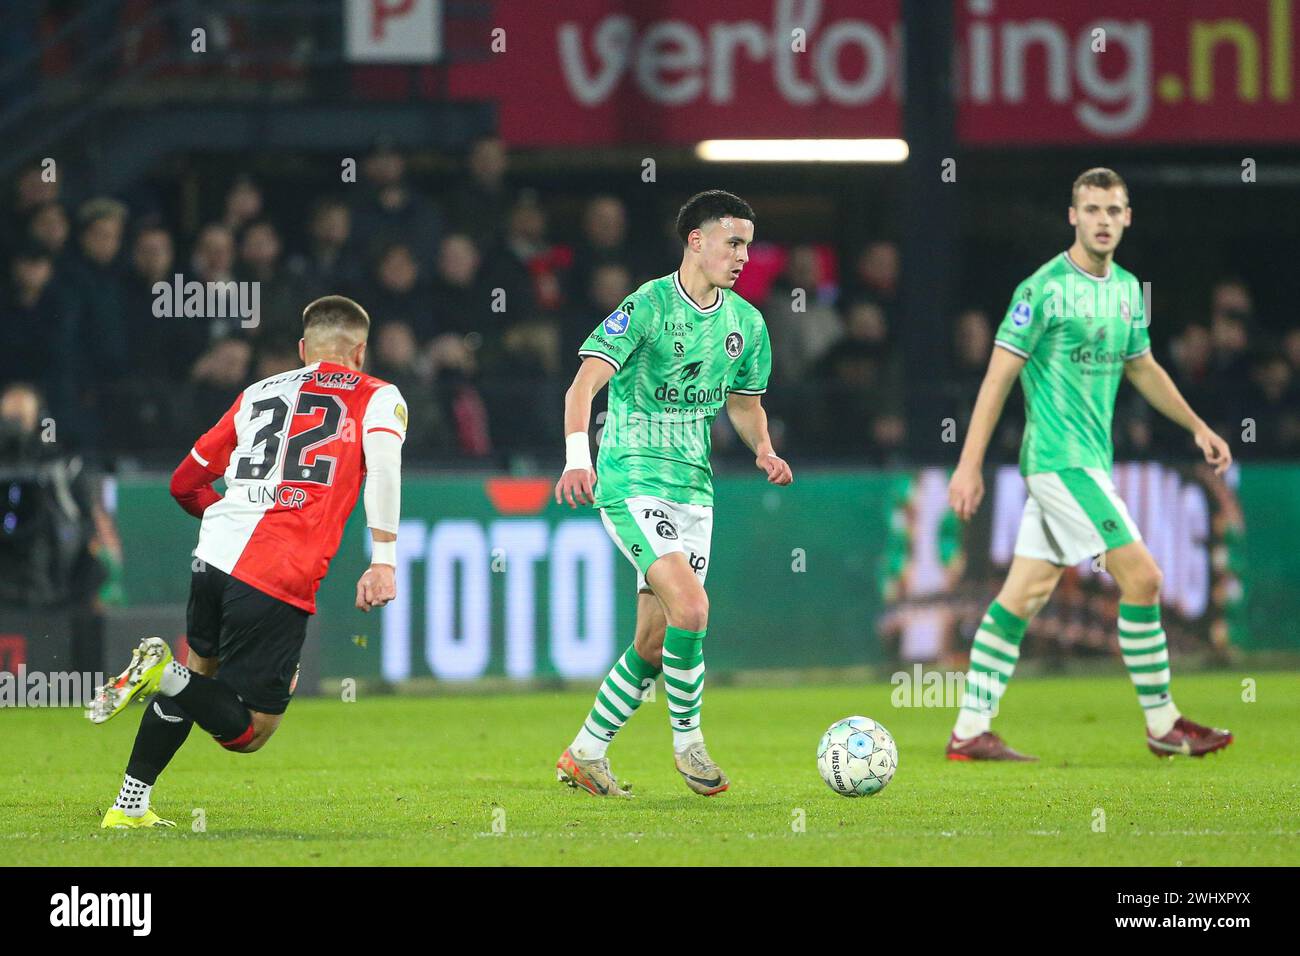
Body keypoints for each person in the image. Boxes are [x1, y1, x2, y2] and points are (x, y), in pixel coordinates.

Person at [946, 168, 1234, 761]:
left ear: (1127, 218)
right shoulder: (1042, 288)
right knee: (1145, 578)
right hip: (1058, 464)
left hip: (1089, 465)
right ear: (1072, 217)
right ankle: (1163, 724)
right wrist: (969, 464)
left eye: (1113, 210)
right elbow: (998, 377)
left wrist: (1196, 425)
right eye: (1092, 210)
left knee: (1022, 597)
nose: (1103, 220)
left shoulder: (1128, 289)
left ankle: (970, 731)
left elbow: (1144, 367)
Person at [88, 296, 407, 829]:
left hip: (211, 559)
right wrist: (384, 560)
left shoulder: (258, 392)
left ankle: (129, 805)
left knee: (198, 678)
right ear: (362, 350)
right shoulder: (379, 396)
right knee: (251, 731)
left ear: (304, 349)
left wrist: (226, 518)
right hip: (278, 572)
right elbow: (384, 472)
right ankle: (159, 675)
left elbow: (183, 483)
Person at [553, 190, 792, 797]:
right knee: (692, 610)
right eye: (732, 242)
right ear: (696, 240)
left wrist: (763, 449)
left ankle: (584, 754)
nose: (743, 255)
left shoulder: (746, 323)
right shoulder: (647, 306)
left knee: (656, 643)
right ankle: (690, 747)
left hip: (695, 491)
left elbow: (744, 404)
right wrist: (578, 460)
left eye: (747, 244)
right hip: (631, 480)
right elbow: (583, 386)